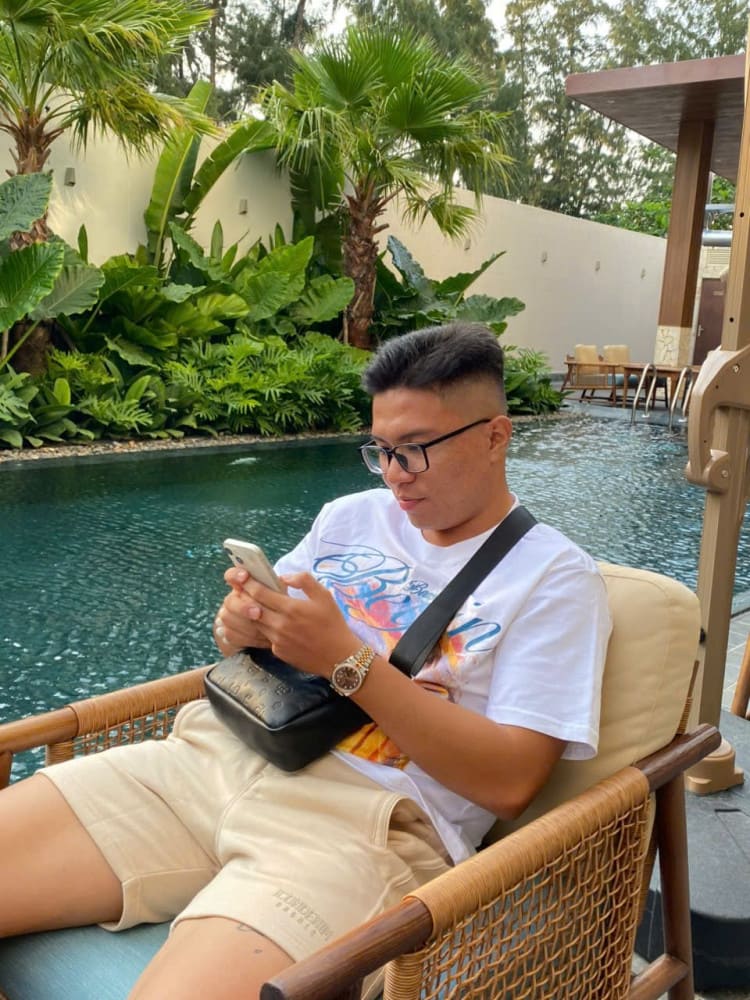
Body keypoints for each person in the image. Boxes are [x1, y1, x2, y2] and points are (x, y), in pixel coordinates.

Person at [0, 322, 611, 999]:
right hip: (208, 758)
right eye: (380, 450)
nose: (395, 475)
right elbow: (258, 644)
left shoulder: (554, 579)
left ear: (495, 437)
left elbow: (511, 781)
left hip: (360, 827)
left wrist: (349, 661)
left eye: (415, 450)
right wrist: (242, 625)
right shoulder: (350, 517)